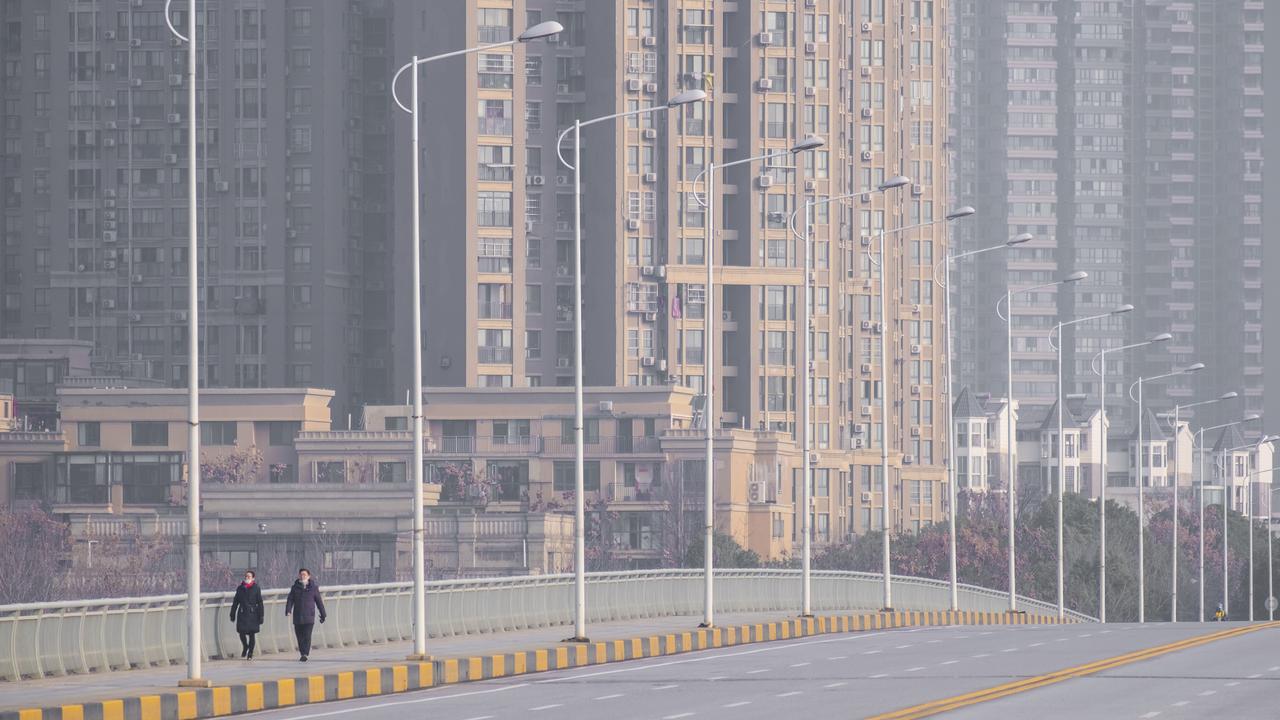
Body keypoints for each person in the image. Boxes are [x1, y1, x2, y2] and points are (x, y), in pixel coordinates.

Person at [284, 568, 326, 661]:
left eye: (304, 574)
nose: (302, 576)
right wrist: (288, 610)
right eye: (301, 574)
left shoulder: (313, 588)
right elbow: (290, 599)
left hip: (309, 616)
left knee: (307, 635)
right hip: (298, 616)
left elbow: (319, 602)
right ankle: (302, 652)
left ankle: (305, 654)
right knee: (299, 636)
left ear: (309, 576)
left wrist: (323, 614)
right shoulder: (295, 587)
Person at [229, 570, 264, 660]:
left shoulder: (256, 588)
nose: (247, 578)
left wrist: (261, 615)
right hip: (242, 613)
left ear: (253, 578)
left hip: (253, 613)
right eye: (246, 576)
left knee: (252, 634)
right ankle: (245, 646)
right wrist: (232, 613)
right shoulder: (240, 588)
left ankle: (250, 653)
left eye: (249, 576)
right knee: (241, 632)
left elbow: (260, 602)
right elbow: (236, 601)